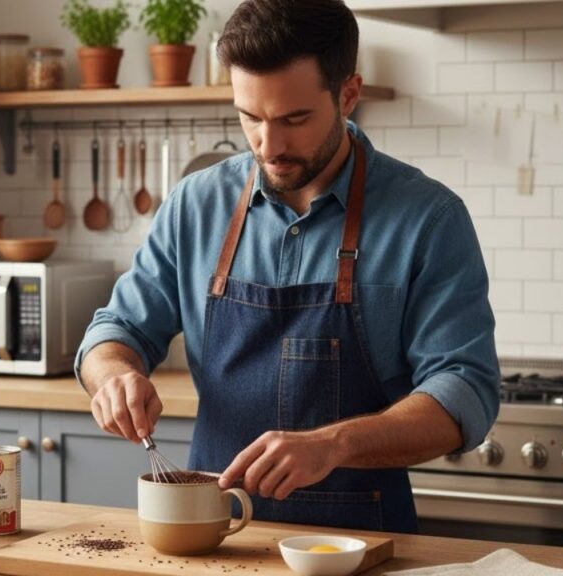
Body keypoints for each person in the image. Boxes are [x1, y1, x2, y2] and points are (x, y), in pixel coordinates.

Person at [74, 0, 499, 533]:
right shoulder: (195, 205)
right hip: (216, 539)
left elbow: (465, 392)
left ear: (348, 94)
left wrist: (333, 443)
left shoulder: (428, 219)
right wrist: (114, 376)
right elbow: (115, 331)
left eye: (294, 119)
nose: (268, 146)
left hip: (363, 545)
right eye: (250, 117)